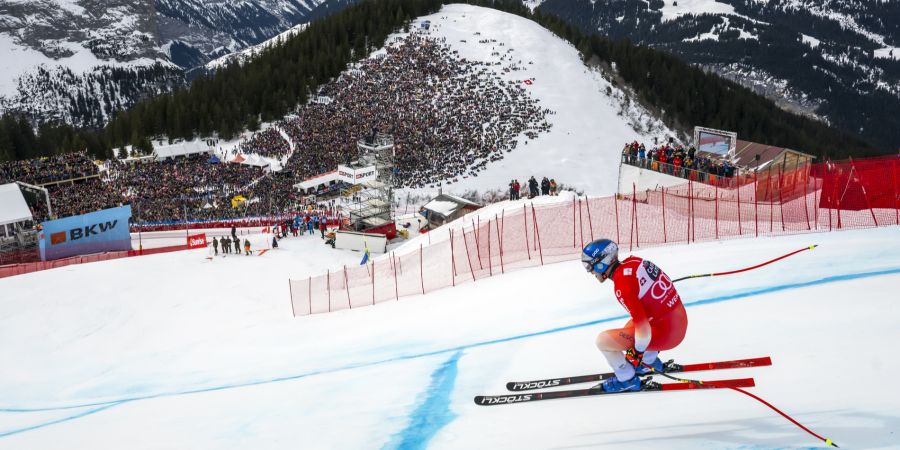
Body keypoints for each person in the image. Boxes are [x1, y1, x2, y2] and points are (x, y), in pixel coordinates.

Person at [580, 238, 688, 393]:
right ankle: (648, 362)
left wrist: (636, 353)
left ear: (601, 263)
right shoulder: (634, 262)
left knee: (603, 341)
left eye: (590, 266)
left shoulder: (622, 285)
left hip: (667, 334)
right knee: (630, 326)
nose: (591, 272)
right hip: (678, 322)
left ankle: (626, 379)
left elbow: (643, 331)